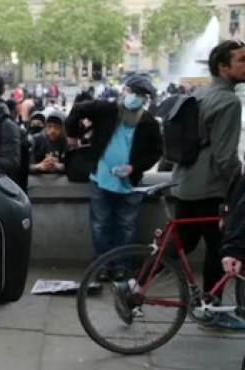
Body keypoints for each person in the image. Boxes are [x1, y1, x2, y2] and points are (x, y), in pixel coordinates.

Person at [172, 40, 245, 330]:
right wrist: (239, 181)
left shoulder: (201, 92)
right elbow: (225, 156)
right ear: (223, 67)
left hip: (185, 181)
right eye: (241, 60)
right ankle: (212, 309)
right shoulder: (229, 101)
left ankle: (134, 283)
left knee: (184, 241)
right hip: (211, 187)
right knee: (221, 246)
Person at [65, 74, 162, 281]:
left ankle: (122, 266)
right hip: (101, 178)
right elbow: (79, 108)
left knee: (126, 226)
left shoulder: (148, 122)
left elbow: (155, 152)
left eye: (140, 95)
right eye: (132, 92)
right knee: (100, 225)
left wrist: (134, 166)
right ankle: (102, 264)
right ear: (124, 92)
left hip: (129, 183)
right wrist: (72, 133)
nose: (134, 97)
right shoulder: (107, 110)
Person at [30, 110, 67, 174]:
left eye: (56, 127)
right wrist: (39, 166)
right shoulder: (35, 140)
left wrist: (58, 166)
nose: (52, 131)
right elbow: (24, 166)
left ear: (62, 129)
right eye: (49, 126)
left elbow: (75, 168)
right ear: (45, 127)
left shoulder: (66, 142)